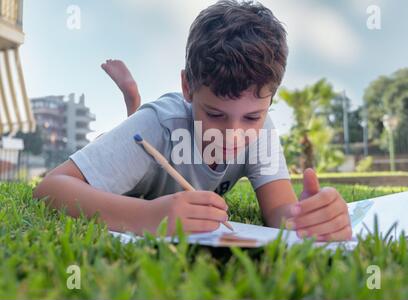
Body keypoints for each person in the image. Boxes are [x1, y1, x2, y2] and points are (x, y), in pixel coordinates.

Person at [33, 0, 351, 241]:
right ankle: (133, 103)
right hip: (139, 149)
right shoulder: (158, 125)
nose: (234, 135)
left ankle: (133, 104)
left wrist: (306, 217)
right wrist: (147, 217)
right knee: (129, 135)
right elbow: (49, 189)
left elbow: (280, 212)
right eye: (215, 114)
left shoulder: (263, 135)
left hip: (149, 153)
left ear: (271, 99)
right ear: (187, 87)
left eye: (253, 116)